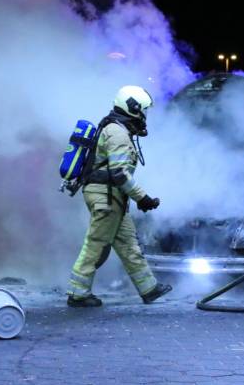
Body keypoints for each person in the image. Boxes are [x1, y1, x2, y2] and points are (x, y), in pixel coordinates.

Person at [67, 85, 172, 307]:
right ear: (133, 108)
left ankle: (148, 288)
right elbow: (119, 173)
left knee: (127, 242)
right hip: (106, 197)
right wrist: (142, 198)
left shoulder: (116, 129)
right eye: (143, 109)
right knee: (95, 244)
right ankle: (78, 293)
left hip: (111, 196)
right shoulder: (118, 133)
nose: (145, 115)